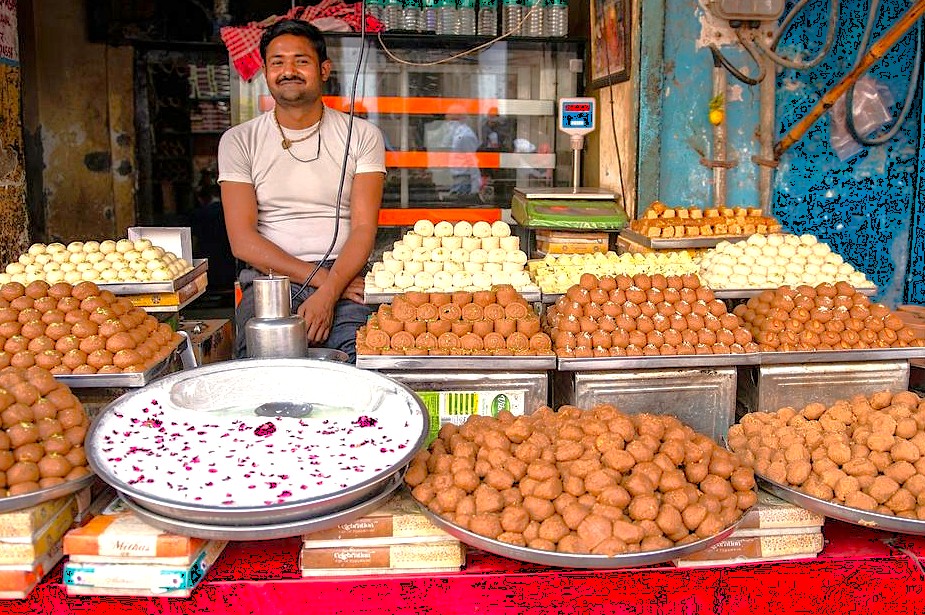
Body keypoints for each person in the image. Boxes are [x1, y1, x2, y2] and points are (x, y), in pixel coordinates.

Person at [218, 19, 385, 362]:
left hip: (345, 272)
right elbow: (243, 240)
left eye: (301, 60)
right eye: (277, 62)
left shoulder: (363, 135)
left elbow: (364, 227)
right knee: (263, 366)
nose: (288, 70)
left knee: (358, 361)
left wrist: (332, 289)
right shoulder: (238, 141)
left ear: (324, 70)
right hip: (271, 281)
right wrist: (324, 283)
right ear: (265, 72)